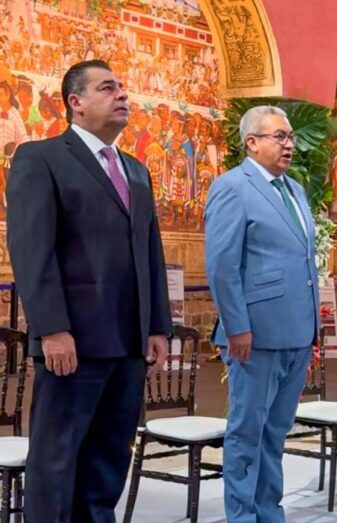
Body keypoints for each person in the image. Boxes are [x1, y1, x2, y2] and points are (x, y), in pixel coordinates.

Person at [6, 59, 171, 523]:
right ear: (75, 103)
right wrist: (52, 329)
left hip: (128, 343)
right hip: (73, 342)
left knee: (108, 458)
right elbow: (32, 251)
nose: (122, 95)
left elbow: (149, 253)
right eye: (107, 88)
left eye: (122, 87)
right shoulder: (41, 158)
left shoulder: (136, 171)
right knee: (57, 459)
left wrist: (157, 325)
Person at [205, 106, 320, 522]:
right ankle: (242, 516)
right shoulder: (233, 187)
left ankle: (269, 512)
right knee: (247, 433)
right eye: (279, 136)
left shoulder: (295, 190)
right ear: (251, 142)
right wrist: (237, 326)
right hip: (253, 334)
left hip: (296, 330)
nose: (289, 144)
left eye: (290, 137)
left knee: (275, 433)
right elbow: (221, 265)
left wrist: (314, 324)